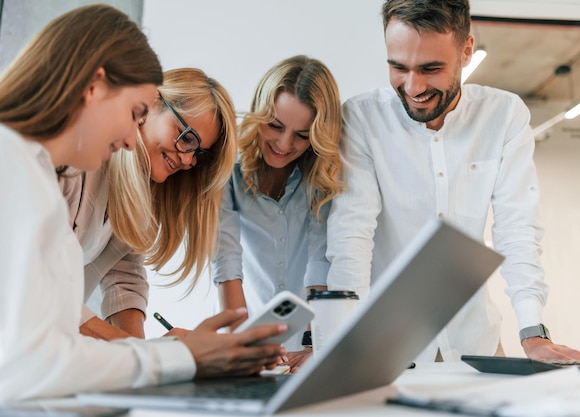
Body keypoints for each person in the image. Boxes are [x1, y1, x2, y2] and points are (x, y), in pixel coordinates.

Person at [0, 5, 284, 401]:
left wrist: (158, 356)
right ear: (95, 87)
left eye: (198, 155)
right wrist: (175, 359)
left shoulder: (38, 178)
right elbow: (27, 363)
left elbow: (59, 338)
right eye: (136, 113)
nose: (131, 140)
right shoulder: (19, 172)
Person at [325, 0, 580, 362]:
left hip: (475, 342)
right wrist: (342, 340)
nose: (413, 86)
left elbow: (517, 229)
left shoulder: (503, 116)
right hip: (386, 349)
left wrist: (532, 332)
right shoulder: (362, 118)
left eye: (431, 68)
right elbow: (351, 234)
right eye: (398, 67)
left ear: (466, 50)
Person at [59, 67, 237, 340]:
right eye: (187, 138)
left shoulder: (144, 192)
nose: (188, 161)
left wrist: (141, 355)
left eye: (199, 154)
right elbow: (43, 287)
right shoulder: (70, 163)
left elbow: (124, 278)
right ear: (152, 103)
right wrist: (143, 354)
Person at [212, 55, 343, 369]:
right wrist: (242, 345)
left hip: (312, 335)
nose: (284, 144)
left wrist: (318, 345)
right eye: (275, 126)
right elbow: (226, 259)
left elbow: (319, 262)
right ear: (260, 112)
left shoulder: (320, 174)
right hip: (249, 329)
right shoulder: (227, 169)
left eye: (301, 135)